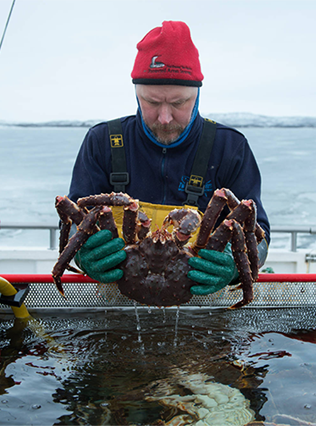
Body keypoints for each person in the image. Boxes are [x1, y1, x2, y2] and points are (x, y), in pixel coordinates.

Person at [67, 20, 270, 296]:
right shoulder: (101, 141)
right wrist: (83, 254)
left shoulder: (230, 147)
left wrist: (236, 266)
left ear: (196, 95)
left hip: (205, 305)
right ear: (136, 93)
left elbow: (259, 232)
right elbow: (72, 220)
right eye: (151, 102)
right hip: (112, 302)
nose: (164, 117)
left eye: (178, 103)